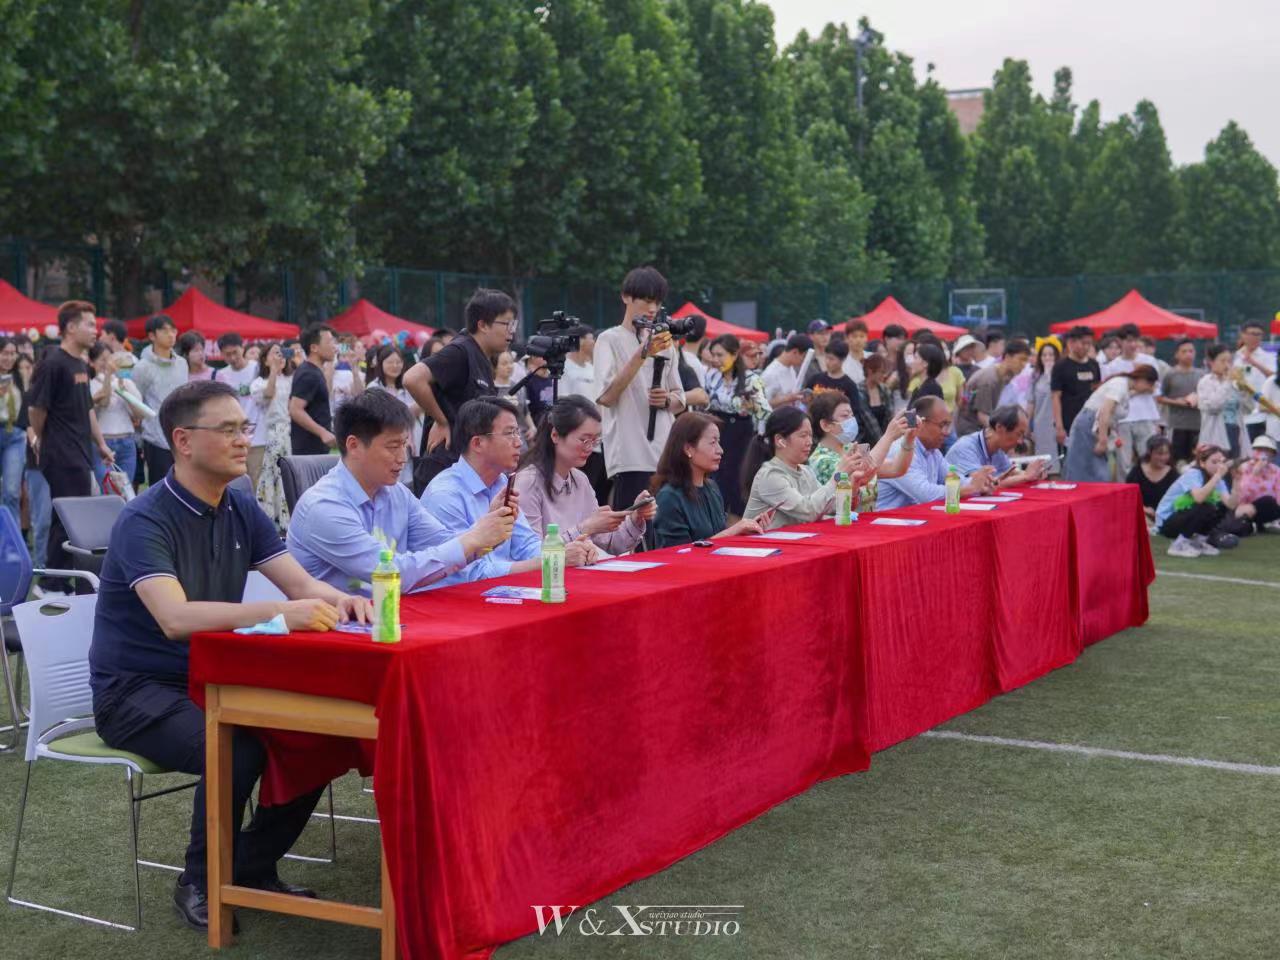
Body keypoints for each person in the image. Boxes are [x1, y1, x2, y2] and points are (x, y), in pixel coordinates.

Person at [88, 379, 372, 930]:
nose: (244, 440)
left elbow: (301, 585)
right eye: (228, 430)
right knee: (237, 748)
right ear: (183, 441)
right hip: (136, 693)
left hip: (216, 678)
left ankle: (249, 864)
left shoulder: (240, 505)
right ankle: (200, 879)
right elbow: (174, 618)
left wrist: (348, 602)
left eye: (245, 428)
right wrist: (276, 614)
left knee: (316, 731)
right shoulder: (145, 518)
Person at [287, 390, 512, 592]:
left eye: (404, 445)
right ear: (354, 445)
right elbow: (393, 574)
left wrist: (488, 529)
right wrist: (475, 538)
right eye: (393, 446)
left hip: (389, 614)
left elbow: (442, 543)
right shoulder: (324, 507)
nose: (403, 458)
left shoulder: (395, 492)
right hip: (336, 621)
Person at [421, 397, 599, 586]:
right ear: (478, 443)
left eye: (517, 432)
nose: (519, 442)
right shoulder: (445, 495)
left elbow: (526, 546)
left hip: (494, 592)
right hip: (453, 597)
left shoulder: (501, 482)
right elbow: (470, 574)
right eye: (510, 433)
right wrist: (553, 560)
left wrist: (567, 551)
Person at [27, 302, 116, 573]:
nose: (95, 331)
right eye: (89, 324)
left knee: (67, 517)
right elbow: (35, 409)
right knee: (70, 517)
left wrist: (101, 444)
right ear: (70, 327)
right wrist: (41, 439)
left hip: (80, 452)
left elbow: (87, 408)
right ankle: (53, 582)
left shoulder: (80, 364)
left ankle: (60, 579)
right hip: (61, 453)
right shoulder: (53, 363)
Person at [592, 267, 686, 512]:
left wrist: (667, 400)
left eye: (657, 302)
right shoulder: (609, 339)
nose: (652, 308)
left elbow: (680, 398)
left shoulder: (664, 342)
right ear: (626, 297)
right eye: (646, 300)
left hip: (665, 453)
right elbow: (606, 397)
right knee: (631, 527)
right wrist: (643, 352)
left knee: (666, 524)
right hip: (629, 455)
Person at [513, 396, 654, 556]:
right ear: (555, 435)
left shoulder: (580, 479)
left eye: (595, 440)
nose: (590, 448)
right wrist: (585, 528)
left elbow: (610, 542)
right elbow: (531, 555)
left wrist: (635, 517)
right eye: (584, 440)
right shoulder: (528, 482)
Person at [404, 288, 513, 490]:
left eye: (514, 324)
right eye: (506, 324)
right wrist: (441, 420)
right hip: (443, 472)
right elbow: (412, 379)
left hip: (465, 471)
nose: (511, 331)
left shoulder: (482, 358)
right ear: (482, 325)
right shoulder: (460, 351)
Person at [651, 412, 764, 547]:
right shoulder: (669, 497)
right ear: (688, 449)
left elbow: (720, 536)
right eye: (712, 443)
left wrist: (745, 530)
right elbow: (678, 553)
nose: (720, 450)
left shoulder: (712, 488)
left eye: (719, 442)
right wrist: (734, 530)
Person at [742, 406, 865, 529]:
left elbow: (830, 506)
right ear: (780, 440)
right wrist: (837, 475)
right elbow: (809, 511)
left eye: (810, 435)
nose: (809, 442)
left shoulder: (806, 471)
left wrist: (853, 486)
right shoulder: (770, 476)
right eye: (803, 435)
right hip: (764, 541)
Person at [876, 396, 997, 510]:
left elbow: (955, 479)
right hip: (887, 521)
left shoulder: (933, 451)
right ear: (921, 423)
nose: (947, 432)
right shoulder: (901, 449)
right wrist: (970, 488)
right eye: (942, 425)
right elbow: (926, 494)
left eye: (948, 425)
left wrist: (982, 483)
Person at [807, 392, 915, 512]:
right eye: (845, 416)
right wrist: (889, 435)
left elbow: (896, 469)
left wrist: (909, 438)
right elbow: (862, 473)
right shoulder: (821, 460)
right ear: (826, 425)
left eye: (852, 415)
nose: (851, 420)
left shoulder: (852, 449)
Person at [705, 333, 770, 516]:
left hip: (741, 437)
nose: (716, 360)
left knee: (737, 487)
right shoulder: (711, 376)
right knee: (716, 483)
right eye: (713, 355)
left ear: (734, 355)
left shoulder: (751, 380)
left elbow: (766, 412)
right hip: (717, 433)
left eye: (720, 355)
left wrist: (752, 407)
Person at [1063, 365, 1159, 482]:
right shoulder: (1119, 385)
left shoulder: (1126, 389)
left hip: (1100, 427)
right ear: (1142, 379)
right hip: (1088, 425)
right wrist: (1102, 440)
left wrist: (1112, 436)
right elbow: (1105, 411)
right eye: (1149, 384)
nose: (1148, 388)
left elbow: (1111, 414)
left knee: (1098, 472)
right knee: (1084, 470)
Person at [1155, 444, 1253, 556]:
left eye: (1221, 462)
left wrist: (1236, 481)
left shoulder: (1217, 479)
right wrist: (1217, 476)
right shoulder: (1193, 474)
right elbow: (1199, 498)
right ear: (1202, 463)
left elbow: (1231, 505)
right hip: (1167, 522)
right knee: (1205, 506)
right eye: (1214, 462)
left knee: (1221, 507)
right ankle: (1179, 545)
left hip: (1183, 518)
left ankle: (1199, 542)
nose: (1218, 466)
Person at [132, 313, 190, 483]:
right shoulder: (142, 367)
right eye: (165, 331)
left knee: (186, 484)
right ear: (152, 336)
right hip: (155, 437)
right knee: (161, 486)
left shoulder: (182, 363)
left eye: (173, 330)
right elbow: (136, 401)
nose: (171, 335)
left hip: (182, 435)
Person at [1100, 323, 1162, 475]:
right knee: (1124, 463)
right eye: (1128, 340)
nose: (1132, 344)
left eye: (1135, 340)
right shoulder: (1112, 366)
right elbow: (1110, 396)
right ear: (1120, 341)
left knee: (1148, 458)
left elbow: (1155, 389)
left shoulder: (1148, 361)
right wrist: (1138, 388)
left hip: (1146, 416)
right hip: (1122, 420)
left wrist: (1157, 422)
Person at [89, 341, 147, 490]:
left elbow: (139, 413)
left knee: (125, 491)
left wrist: (123, 388)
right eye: (102, 359)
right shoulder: (91, 384)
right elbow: (104, 402)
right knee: (108, 490)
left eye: (110, 359)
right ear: (92, 363)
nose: (107, 363)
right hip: (103, 444)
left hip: (127, 442)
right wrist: (108, 376)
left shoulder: (126, 382)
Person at [946, 405, 1048, 488]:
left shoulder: (998, 449)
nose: (1020, 442)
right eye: (1018, 434)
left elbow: (1010, 473)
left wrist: (1033, 474)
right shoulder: (965, 448)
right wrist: (1026, 476)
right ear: (999, 427)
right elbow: (981, 484)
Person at [250, 342, 295, 528]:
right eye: (275, 353)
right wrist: (274, 371)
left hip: (289, 433)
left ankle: (286, 519)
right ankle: (269, 518)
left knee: (287, 476)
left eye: (281, 353)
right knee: (270, 474)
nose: (280, 357)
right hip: (270, 434)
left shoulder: (291, 379)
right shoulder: (258, 383)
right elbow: (268, 395)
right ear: (265, 360)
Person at [365, 342, 423, 484]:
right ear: (381, 364)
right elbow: (386, 416)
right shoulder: (374, 388)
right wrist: (421, 403)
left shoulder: (407, 386)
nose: (395, 366)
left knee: (409, 483)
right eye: (390, 362)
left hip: (411, 446)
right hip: (387, 444)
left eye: (398, 362)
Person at [212, 332, 264, 489]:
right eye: (227, 354)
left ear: (243, 348)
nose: (233, 357)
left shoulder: (258, 368)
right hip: (234, 438)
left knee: (257, 481)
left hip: (259, 436)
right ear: (221, 354)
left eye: (235, 352)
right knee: (237, 482)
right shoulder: (222, 375)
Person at [957, 338, 1031, 436]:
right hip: (971, 431)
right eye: (1021, 359)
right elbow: (982, 416)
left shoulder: (1005, 377)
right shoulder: (989, 379)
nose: (1024, 365)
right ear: (1007, 357)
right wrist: (1004, 434)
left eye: (1026, 361)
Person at [289, 323, 337, 456]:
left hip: (316, 448)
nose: (334, 346)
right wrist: (323, 433)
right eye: (329, 342)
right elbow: (295, 409)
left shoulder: (314, 371)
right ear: (314, 348)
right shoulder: (308, 374)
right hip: (308, 451)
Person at [1051, 326, 1101, 447]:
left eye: (1089, 344)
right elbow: (1056, 397)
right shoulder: (1060, 366)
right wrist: (1059, 427)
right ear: (1071, 343)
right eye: (1083, 343)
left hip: (1090, 421)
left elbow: (1097, 392)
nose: (1086, 347)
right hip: (1069, 423)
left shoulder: (1094, 365)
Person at [1158, 339, 1202, 464]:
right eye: (1184, 351)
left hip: (1197, 425)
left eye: (1191, 351)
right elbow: (1159, 397)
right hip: (1177, 425)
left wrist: (1198, 399)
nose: (1188, 354)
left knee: (1195, 459)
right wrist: (1178, 402)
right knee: (1177, 460)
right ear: (1177, 354)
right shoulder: (1170, 374)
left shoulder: (1201, 374)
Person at [1234, 321, 1275, 443]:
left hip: (1261, 414)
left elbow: (1274, 377)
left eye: (1259, 334)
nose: (1255, 337)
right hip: (1240, 412)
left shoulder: (1267, 357)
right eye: (1252, 333)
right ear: (1243, 335)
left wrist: (1253, 362)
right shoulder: (1235, 356)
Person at [0, 337, 26, 525]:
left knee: (12, 492)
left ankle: (12, 537)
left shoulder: (19, 377)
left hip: (15, 436)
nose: (9, 358)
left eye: (12, 354)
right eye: (4, 353)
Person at [1196, 344, 1240, 455]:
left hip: (1235, 430)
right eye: (1223, 361)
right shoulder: (1206, 382)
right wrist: (1228, 382)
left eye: (1229, 361)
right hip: (1216, 434)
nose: (1227, 365)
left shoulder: (1234, 382)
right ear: (1211, 362)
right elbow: (1214, 406)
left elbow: (1245, 408)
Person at [1125, 435, 1176, 527]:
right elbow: (1127, 496)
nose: (1163, 457)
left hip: (1163, 518)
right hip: (1139, 514)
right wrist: (1144, 509)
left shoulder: (1173, 475)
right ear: (1149, 452)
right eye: (1159, 454)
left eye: (1166, 453)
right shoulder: (1137, 471)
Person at [1234, 435, 1280, 533]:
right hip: (1249, 508)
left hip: (1271, 508)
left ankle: (1270, 522)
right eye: (1259, 450)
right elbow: (1241, 495)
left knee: (1269, 501)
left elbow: (1278, 492)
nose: (1263, 454)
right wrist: (1254, 473)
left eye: (1267, 450)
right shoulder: (1244, 467)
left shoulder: (1276, 470)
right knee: (1266, 501)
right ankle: (1257, 524)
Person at [1027, 339, 1060, 460]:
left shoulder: (1062, 375)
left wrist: (1050, 374)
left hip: (1058, 424)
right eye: (1044, 355)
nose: (1047, 358)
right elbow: (1031, 402)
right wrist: (1027, 425)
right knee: (1043, 460)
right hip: (1041, 425)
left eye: (1051, 355)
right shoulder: (1035, 376)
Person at [760, 333, 813, 409]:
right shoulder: (770, 374)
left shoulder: (790, 368)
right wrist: (787, 398)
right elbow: (762, 404)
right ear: (795, 352)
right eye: (804, 357)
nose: (804, 361)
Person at [560, 330, 596, 400]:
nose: (594, 343)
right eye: (591, 339)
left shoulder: (591, 368)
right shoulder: (564, 368)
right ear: (580, 341)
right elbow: (562, 398)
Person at [841, 319, 870, 386]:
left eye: (862, 336)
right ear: (846, 338)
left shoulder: (872, 358)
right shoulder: (842, 362)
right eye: (854, 336)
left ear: (866, 338)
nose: (858, 340)